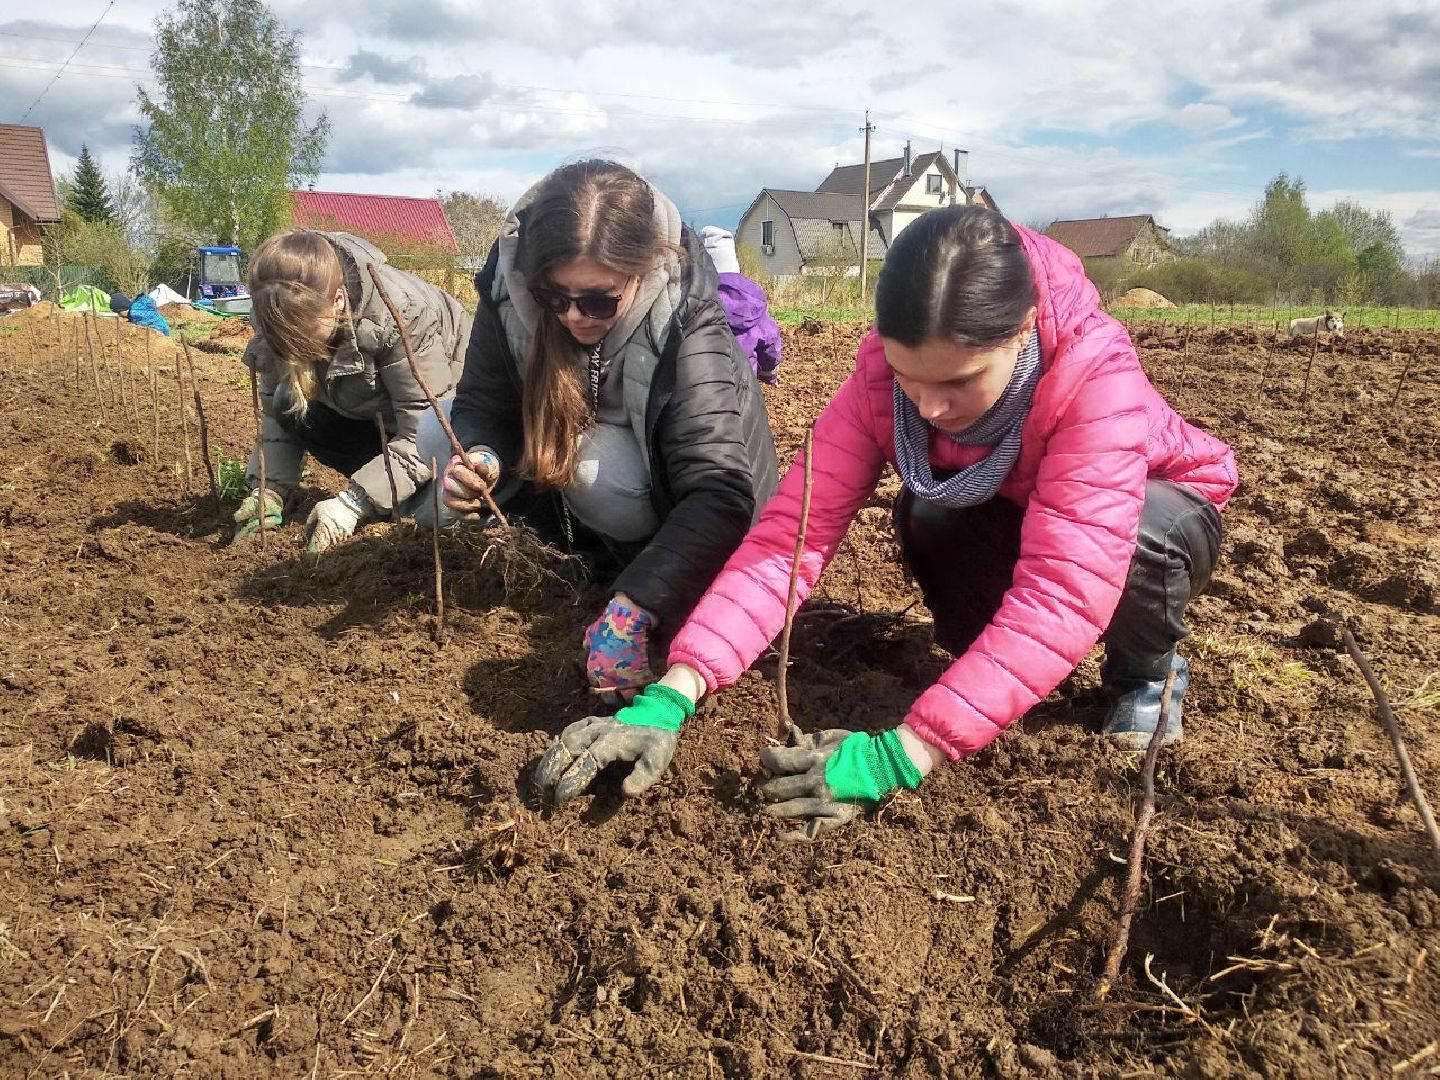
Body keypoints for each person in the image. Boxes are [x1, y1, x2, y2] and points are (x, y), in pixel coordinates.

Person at [532, 205, 1238, 834]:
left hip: (1152, 515)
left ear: (1022, 327)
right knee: (928, 511)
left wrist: (906, 753)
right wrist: (672, 694)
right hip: (1008, 512)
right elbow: (789, 540)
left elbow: (1063, 588)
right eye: (910, 377)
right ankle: (986, 671)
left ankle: (1147, 676)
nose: (928, 407)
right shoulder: (876, 379)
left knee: (1144, 531)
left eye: (958, 381)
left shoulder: (1094, 376)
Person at [438, 160, 779, 701]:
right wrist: (483, 454)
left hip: (692, 526)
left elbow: (719, 492)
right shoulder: (509, 288)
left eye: (597, 300)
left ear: (640, 271)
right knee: (436, 431)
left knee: (592, 469)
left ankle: (628, 574)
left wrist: (639, 600)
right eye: (555, 297)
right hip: (589, 488)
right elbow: (484, 400)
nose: (574, 316)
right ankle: (584, 559)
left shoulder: (686, 316)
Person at [234, 229, 472, 552]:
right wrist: (269, 490)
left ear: (338, 301)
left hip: (451, 425)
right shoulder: (274, 313)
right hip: (376, 415)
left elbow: (425, 431)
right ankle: (388, 492)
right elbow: (276, 415)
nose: (296, 350)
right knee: (286, 400)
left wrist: (353, 502)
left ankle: (391, 497)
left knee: (439, 513)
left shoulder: (401, 315)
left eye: (304, 337)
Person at [699, 226, 782, 385]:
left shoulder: (691, 301)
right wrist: (768, 374)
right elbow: (770, 342)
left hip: (702, 388)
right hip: (744, 387)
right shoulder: (752, 302)